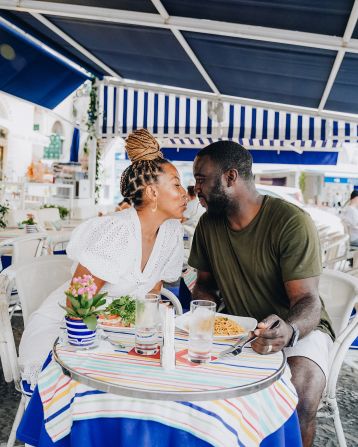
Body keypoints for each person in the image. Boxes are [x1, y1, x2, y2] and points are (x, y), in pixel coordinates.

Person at [188, 141, 335, 447]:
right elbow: (204, 283)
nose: (196, 187)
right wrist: (208, 313)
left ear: (230, 177)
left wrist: (290, 329)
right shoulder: (207, 224)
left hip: (301, 329)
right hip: (240, 331)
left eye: (201, 179)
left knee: (298, 396)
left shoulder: (290, 221)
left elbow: (308, 301)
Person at [19, 128, 188, 387]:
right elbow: (77, 303)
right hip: (69, 333)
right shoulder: (117, 231)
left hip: (122, 335)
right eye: (176, 184)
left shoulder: (172, 232)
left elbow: (152, 294)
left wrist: (142, 335)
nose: (185, 193)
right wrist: (102, 349)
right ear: (153, 193)